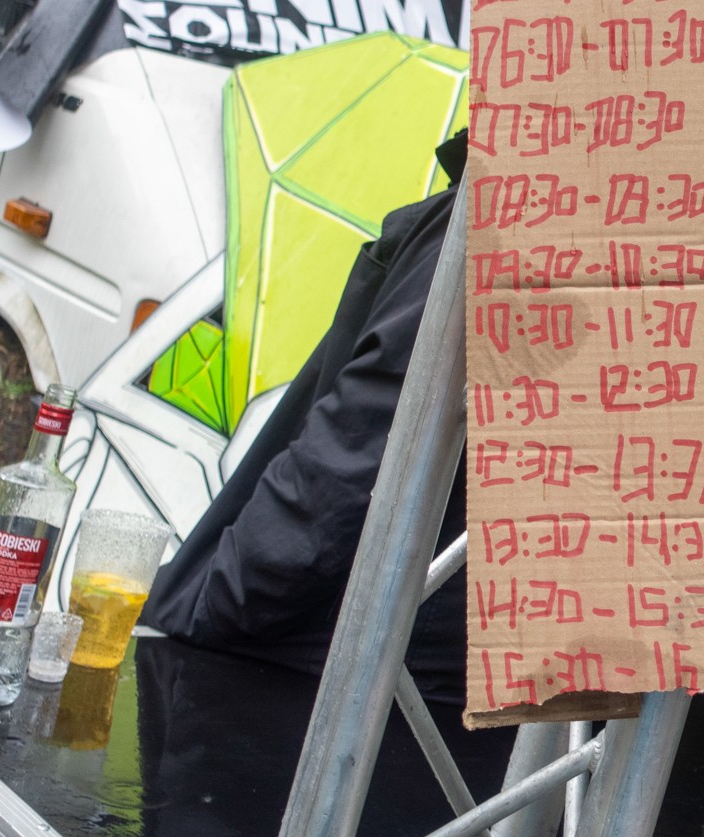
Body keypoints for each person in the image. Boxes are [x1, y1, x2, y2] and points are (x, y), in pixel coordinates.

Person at [142, 132, 469, 701]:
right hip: (430, 681)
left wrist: (207, 600)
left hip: (337, 680)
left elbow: (350, 466)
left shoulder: (494, 224)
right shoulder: (579, 222)